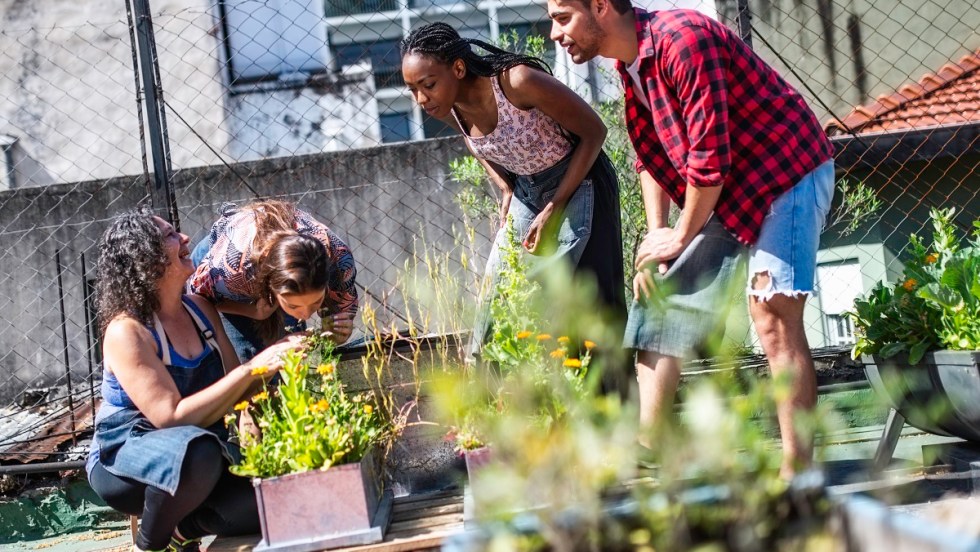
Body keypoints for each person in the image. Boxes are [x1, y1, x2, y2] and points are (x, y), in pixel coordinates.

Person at [546, 0, 835, 476]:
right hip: (730, 189)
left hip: (788, 174)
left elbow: (708, 160)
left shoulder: (684, 40)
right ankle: (647, 449)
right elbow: (650, 155)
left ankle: (797, 474)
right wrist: (658, 236)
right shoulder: (630, 62)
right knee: (657, 289)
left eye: (562, 18)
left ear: (600, 6)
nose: (556, 33)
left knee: (772, 314)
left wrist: (680, 235)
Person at [400, 22, 626, 360]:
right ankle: (502, 396)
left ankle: (615, 400)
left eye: (428, 85)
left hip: (581, 179)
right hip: (527, 190)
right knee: (499, 296)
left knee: (591, 302)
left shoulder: (517, 82)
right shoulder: (447, 108)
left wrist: (555, 205)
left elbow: (595, 131)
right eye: (411, 89)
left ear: (458, 68)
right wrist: (506, 185)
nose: (420, 98)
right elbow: (474, 140)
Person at [87, 208, 303, 552]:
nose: (186, 238)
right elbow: (170, 417)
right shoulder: (127, 331)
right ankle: (151, 545)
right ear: (145, 257)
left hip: (203, 453)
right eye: (170, 236)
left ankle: (182, 530)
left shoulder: (200, 308)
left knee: (273, 503)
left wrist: (282, 364)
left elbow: (237, 392)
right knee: (197, 451)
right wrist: (254, 367)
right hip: (127, 460)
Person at [190, 199, 358, 362]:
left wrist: (338, 328)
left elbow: (342, 309)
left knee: (292, 358)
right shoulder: (229, 272)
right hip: (227, 263)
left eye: (315, 302)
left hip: (268, 267)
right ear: (272, 286)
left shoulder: (340, 261)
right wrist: (255, 312)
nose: (306, 315)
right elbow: (198, 301)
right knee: (250, 359)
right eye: (293, 305)